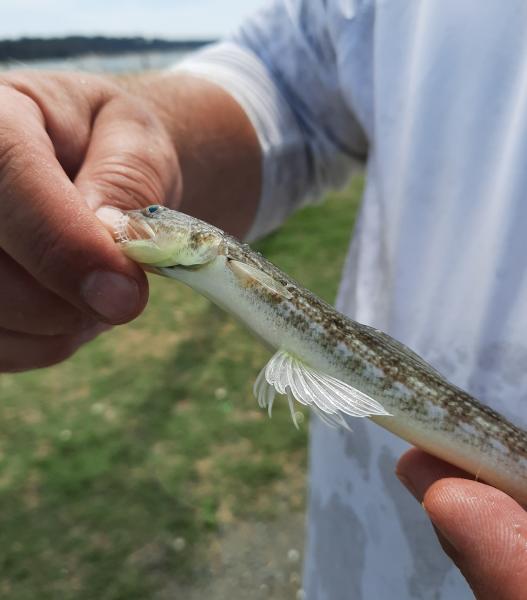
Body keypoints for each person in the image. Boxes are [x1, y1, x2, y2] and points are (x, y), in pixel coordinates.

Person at [1, 0, 526, 597]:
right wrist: (128, 130)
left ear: (199, 242)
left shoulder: (215, 253)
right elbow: (287, 86)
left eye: (150, 216)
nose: (137, 220)